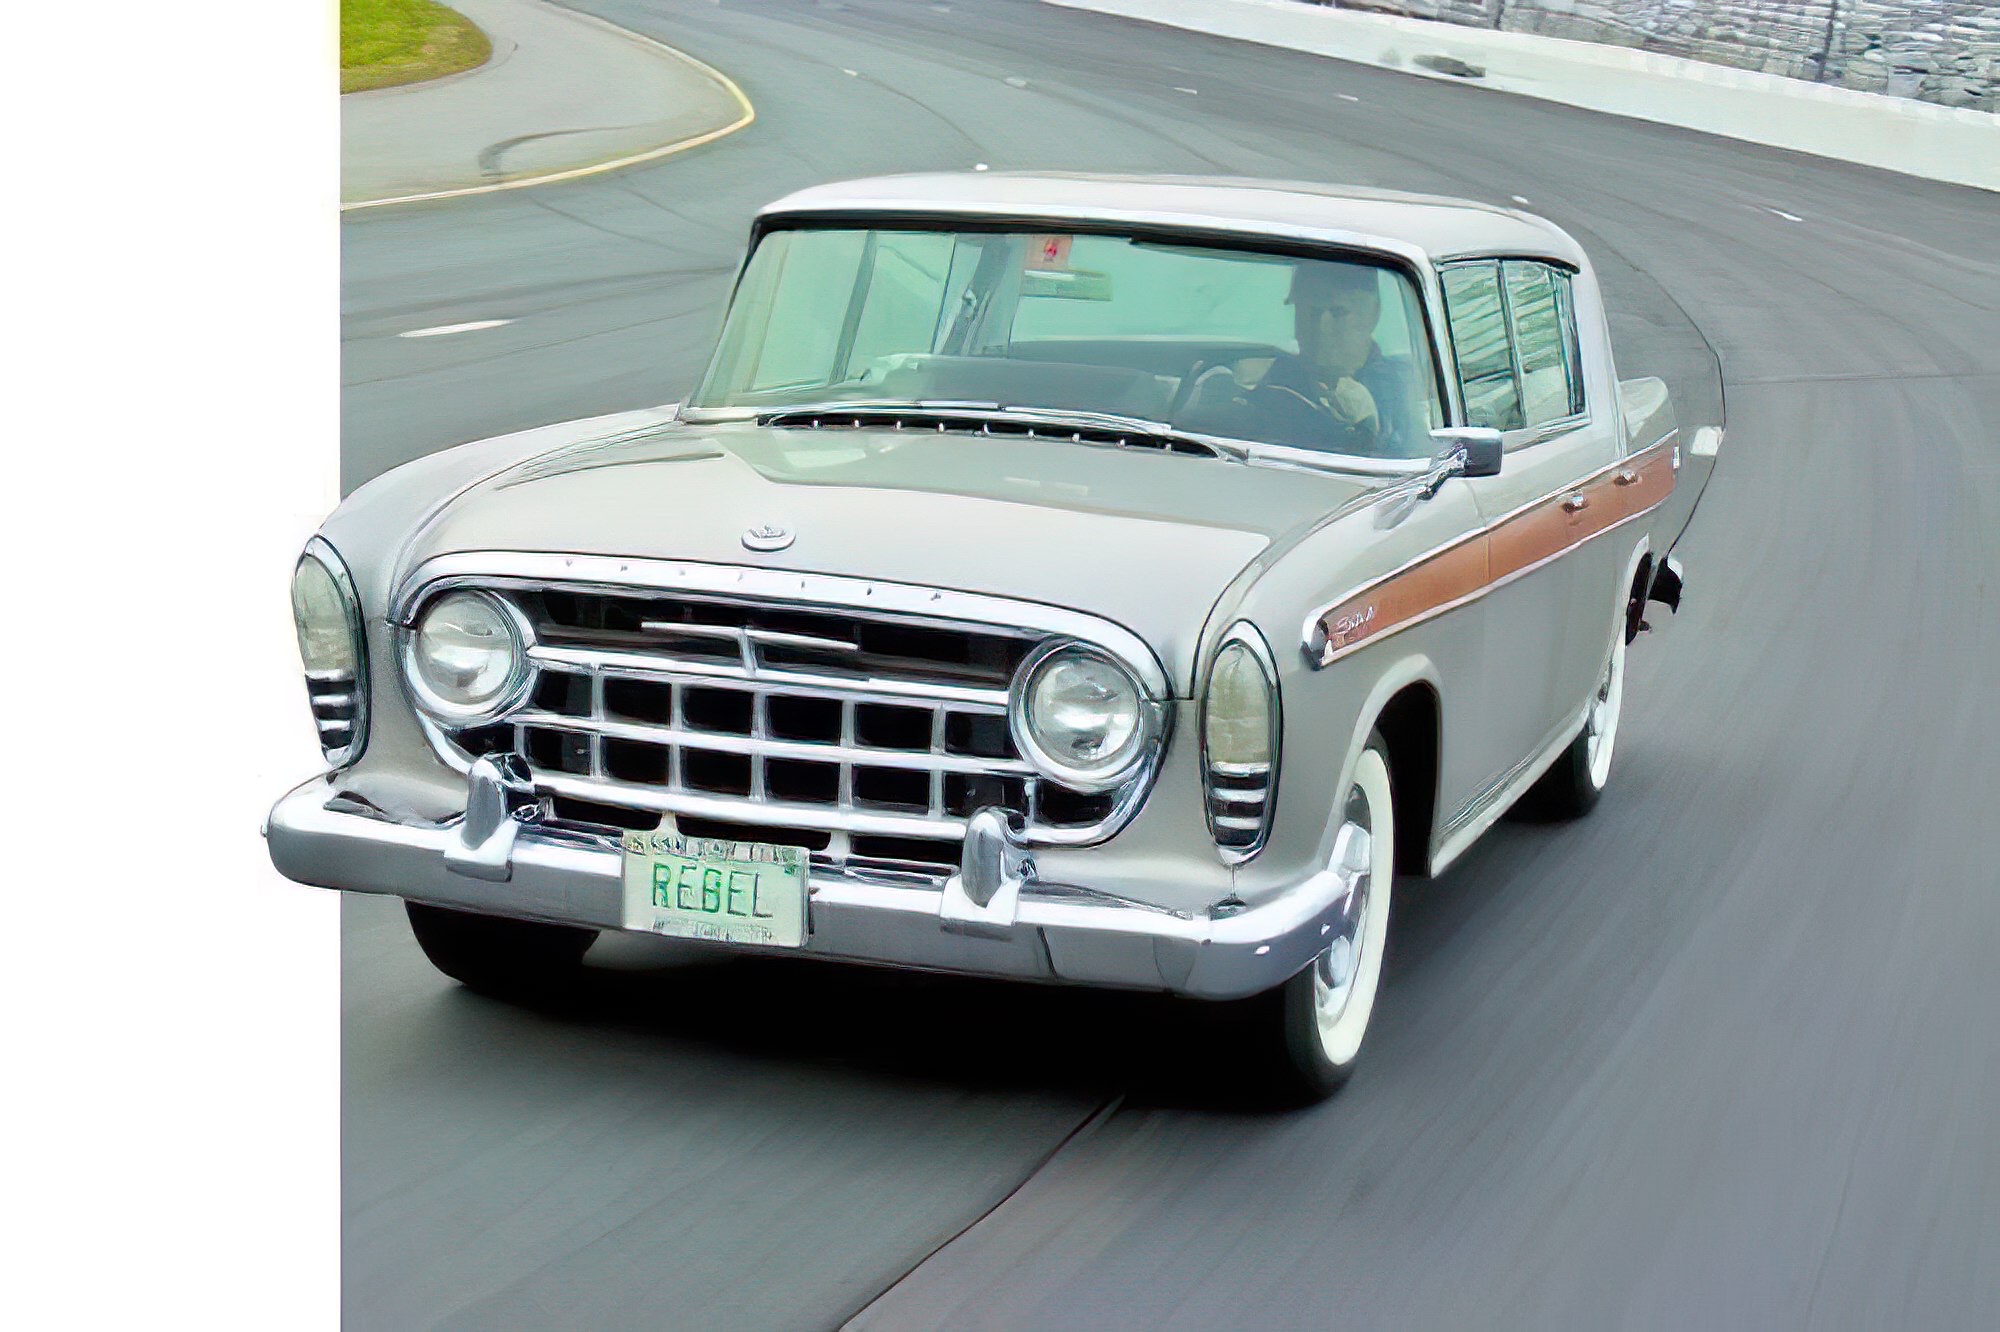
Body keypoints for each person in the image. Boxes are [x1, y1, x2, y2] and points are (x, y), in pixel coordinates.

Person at [1249, 261, 1421, 456]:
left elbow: (1416, 460)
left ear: (1372, 315)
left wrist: (1368, 424)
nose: (1321, 327)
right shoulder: (1277, 382)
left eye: (1338, 312)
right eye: (1311, 311)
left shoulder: (1402, 390)